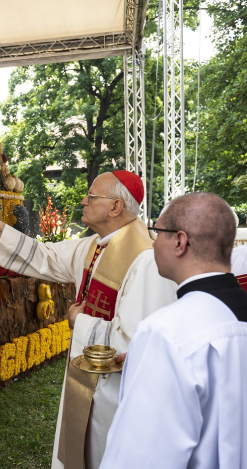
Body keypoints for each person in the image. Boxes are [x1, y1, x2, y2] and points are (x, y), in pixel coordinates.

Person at [0, 170, 177, 469]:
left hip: (115, 391)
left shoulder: (145, 259)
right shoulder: (94, 245)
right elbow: (46, 256)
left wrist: (79, 323)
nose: (84, 200)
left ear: (115, 207)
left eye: (92, 196)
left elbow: (136, 342)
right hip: (89, 377)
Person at [100, 192, 247, 468]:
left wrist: (159, 357)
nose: (153, 244)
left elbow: (140, 458)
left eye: (157, 233)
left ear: (179, 242)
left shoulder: (165, 334)